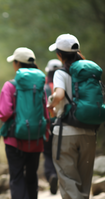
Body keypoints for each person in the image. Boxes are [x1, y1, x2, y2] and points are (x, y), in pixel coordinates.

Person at [0, 47, 49, 199]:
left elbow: (5, 113)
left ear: (17, 64)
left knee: (17, 178)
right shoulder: (40, 87)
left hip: (14, 139)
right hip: (36, 138)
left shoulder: (10, 85)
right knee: (31, 177)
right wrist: (46, 132)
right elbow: (45, 112)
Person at [47, 34, 96, 199]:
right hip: (89, 132)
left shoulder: (61, 73)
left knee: (68, 179)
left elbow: (59, 94)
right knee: (84, 181)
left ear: (60, 54)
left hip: (66, 132)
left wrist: (51, 102)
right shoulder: (89, 73)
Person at [43, 59, 62, 195]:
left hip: (46, 125)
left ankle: (51, 174)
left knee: (48, 154)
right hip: (62, 124)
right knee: (60, 154)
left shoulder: (44, 88)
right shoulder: (63, 86)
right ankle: (58, 175)